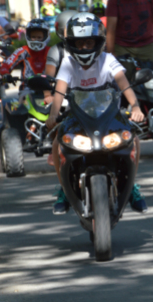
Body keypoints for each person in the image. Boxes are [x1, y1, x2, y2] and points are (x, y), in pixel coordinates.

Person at [45, 13, 147, 215]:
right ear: (71, 44)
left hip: (109, 114)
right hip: (77, 116)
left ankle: (132, 186)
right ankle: (64, 189)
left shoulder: (108, 60)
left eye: (89, 42)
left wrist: (135, 107)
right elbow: (59, 91)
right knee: (57, 142)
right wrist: (53, 115)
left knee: (133, 139)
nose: (84, 48)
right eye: (79, 43)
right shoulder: (68, 63)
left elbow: (124, 84)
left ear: (98, 42)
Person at [0, 19, 60, 104]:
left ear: (46, 36)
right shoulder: (22, 51)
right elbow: (6, 65)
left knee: (60, 107)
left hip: (48, 89)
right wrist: (6, 74)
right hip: (27, 89)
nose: (36, 40)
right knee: (21, 108)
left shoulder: (52, 52)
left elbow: (63, 68)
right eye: (33, 37)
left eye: (39, 37)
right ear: (28, 36)